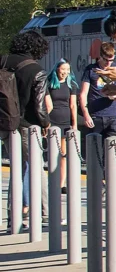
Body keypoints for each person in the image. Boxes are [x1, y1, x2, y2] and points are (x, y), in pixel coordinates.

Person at [2, 32, 51, 224]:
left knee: (17, 169)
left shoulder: (3, 61)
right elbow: (39, 107)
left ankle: (13, 216)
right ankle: (46, 212)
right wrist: (46, 124)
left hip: (5, 122)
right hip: (26, 127)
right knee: (36, 168)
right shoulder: (36, 70)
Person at [45, 59, 79, 195]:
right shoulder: (49, 84)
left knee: (63, 154)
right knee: (53, 153)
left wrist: (74, 123)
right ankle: (52, 180)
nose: (65, 72)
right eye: (63, 69)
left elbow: (73, 105)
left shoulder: (72, 85)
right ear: (57, 69)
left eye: (67, 70)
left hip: (65, 121)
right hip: (52, 120)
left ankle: (61, 183)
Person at [79, 42, 116, 139]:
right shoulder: (90, 70)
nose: (108, 63)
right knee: (96, 149)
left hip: (113, 116)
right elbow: (83, 94)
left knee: (114, 148)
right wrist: (86, 115)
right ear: (101, 56)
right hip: (96, 115)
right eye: (106, 60)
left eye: (111, 60)